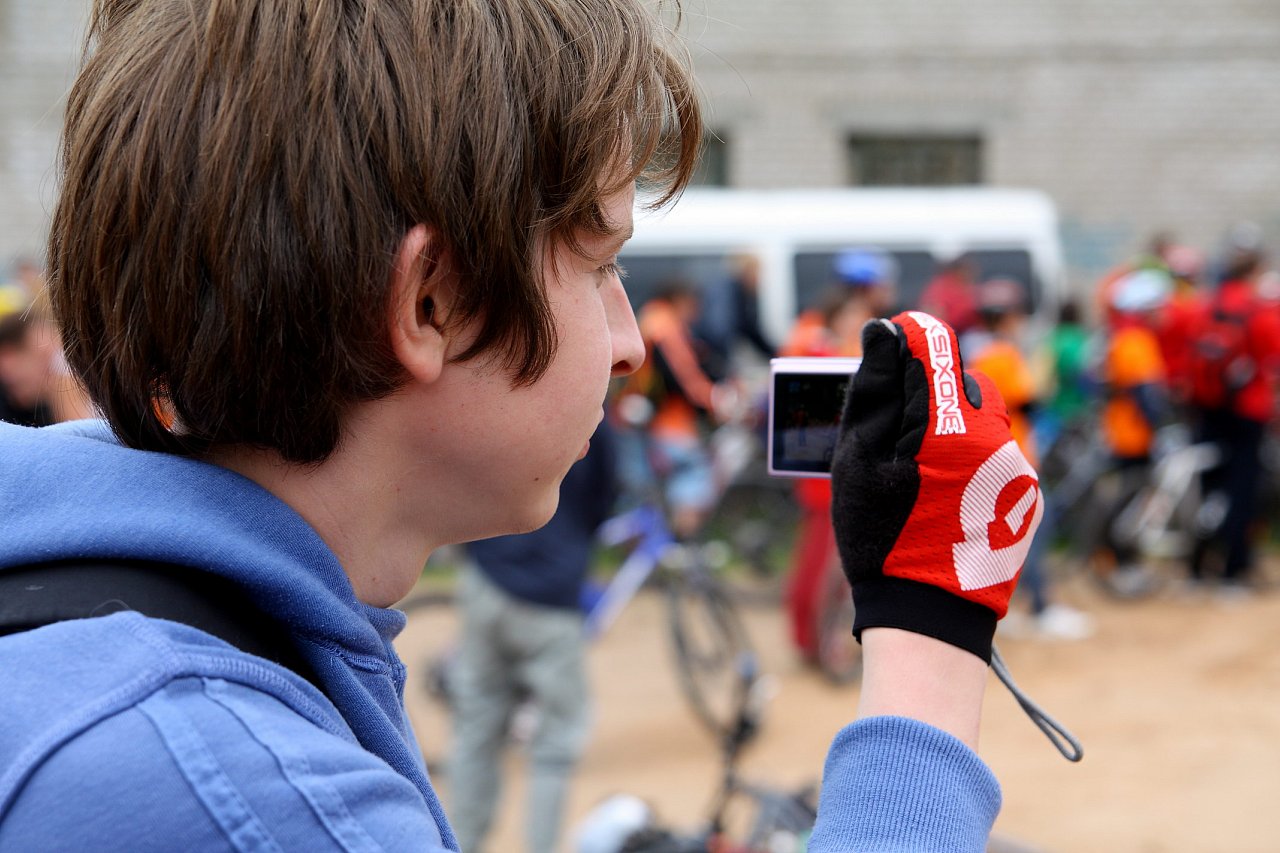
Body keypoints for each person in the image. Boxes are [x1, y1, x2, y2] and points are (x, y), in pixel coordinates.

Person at [0, 2, 1041, 852]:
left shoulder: (93, 613)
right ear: (433, 303)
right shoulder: (245, 798)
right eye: (600, 266)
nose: (626, 342)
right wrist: (929, 645)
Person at [449, 421, 615, 853]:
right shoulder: (591, 407)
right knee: (556, 741)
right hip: (551, 597)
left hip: (486, 580)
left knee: (477, 728)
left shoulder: (494, 392)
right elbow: (603, 498)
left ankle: (460, 843)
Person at [779, 249, 896, 661]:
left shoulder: (813, 335)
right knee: (824, 560)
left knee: (822, 556)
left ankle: (812, 639)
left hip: (824, 464)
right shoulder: (820, 347)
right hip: (826, 468)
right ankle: (817, 641)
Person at [966, 279, 1093, 640]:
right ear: (1007, 317)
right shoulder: (1003, 355)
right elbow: (1028, 401)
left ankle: (1005, 607)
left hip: (995, 457)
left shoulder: (980, 352)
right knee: (1034, 530)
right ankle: (1039, 608)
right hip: (1014, 458)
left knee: (1005, 537)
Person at [1183, 246, 1280, 594]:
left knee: (1208, 487)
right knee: (1241, 491)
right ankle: (1232, 571)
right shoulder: (1259, 312)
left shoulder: (1205, 306)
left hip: (1207, 408)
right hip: (1246, 413)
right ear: (1254, 273)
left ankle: (1197, 568)